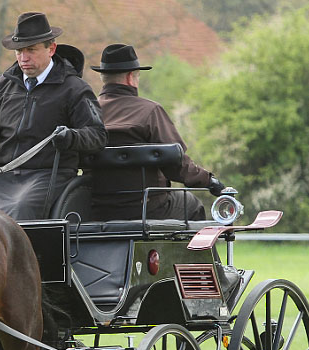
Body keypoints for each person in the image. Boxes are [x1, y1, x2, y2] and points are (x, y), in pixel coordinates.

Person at [0, 12, 107, 220]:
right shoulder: (2, 85)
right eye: (19, 51)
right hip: (1, 175)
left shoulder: (74, 89)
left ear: (51, 49)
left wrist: (70, 137)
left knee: (17, 212)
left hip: (48, 175)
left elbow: (97, 135)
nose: (23, 58)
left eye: (31, 50)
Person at [89, 43, 226, 221]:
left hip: (98, 208)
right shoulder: (149, 111)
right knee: (192, 204)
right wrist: (209, 181)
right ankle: (194, 250)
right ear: (131, 77)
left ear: (103, 78)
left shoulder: (88, 112)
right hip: (147, 207)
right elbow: (177, 164)